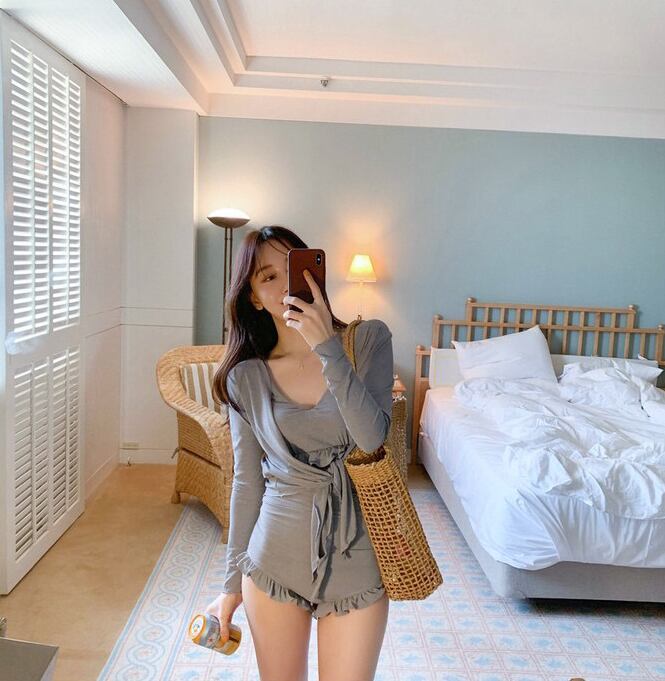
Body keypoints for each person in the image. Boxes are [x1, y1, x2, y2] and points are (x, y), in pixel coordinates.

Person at [208, 225, 394, 681]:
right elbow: (247, 482)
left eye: (292, 267)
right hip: (274, 557)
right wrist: (231, 585)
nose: (285, 284)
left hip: (356, 556)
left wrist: (327, 348)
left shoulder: (368, 341)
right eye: (268, 277)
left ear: (314, 272)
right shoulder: (245, 377)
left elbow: (371, 439)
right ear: (253, 298)